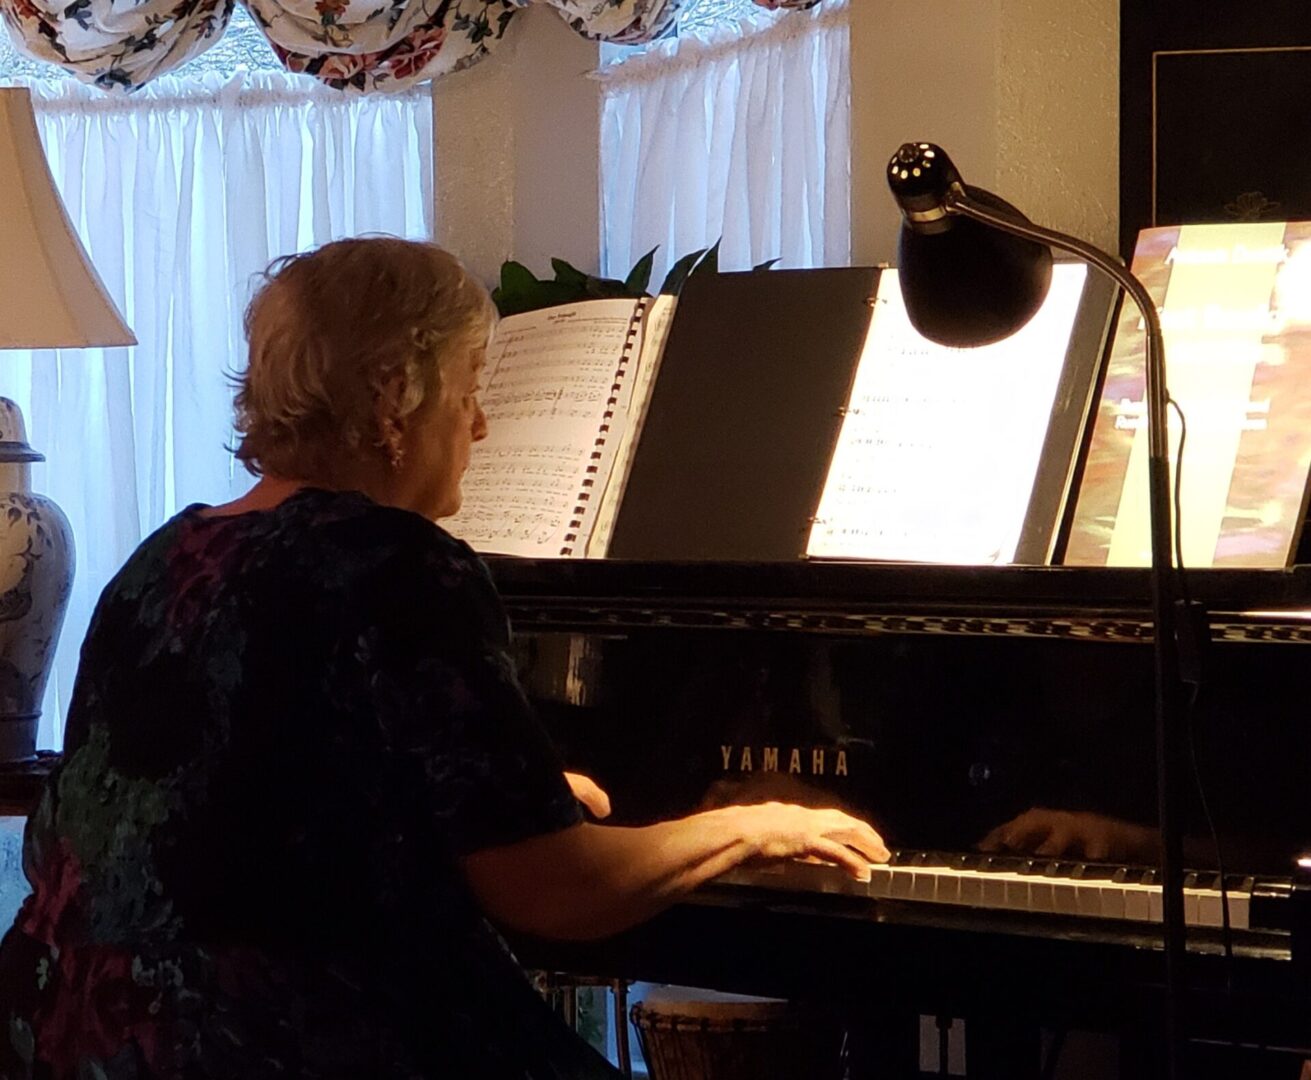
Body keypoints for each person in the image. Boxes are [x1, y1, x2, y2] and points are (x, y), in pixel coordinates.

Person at [0, 237, 888, 1080]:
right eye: (469, 387)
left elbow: (237, 799)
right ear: (396, 394)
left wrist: (473, 807)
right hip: (267, 1040)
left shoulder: (164, 556)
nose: (483, 423)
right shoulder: (393, 561)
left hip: (67, 1029)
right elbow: (557, 895)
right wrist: (742, 825)